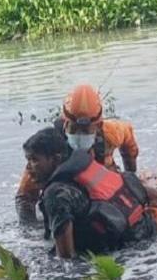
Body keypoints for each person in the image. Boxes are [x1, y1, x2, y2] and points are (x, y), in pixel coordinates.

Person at [23, 127, 157, 259]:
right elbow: (156, 196)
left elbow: (66, 258)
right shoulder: (87, 166)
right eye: (28, 160)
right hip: (152, 234)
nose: (28, 167)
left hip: (126, 254)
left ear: (56, 159)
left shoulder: (55, 194)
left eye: (34, 159)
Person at [16, 84, 139, 224]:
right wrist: (31, 233)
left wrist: (132, 172)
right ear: (65, 123)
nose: (79, 135)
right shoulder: (49, 149)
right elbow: (25, 197)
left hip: (105, 192)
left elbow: (128, 138)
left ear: (98, 126)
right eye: (74, 129)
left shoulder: (111, 133)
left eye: (86, 131)